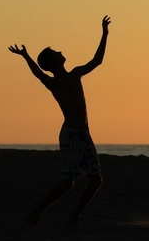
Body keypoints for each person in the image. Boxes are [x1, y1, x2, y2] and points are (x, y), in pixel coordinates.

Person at [8, 15, 111, 226]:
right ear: (53, 62)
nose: (61, 52)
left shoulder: (75, 74)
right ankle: (35, 214)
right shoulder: (54, 83)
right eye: (56, 53)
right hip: (71, 135)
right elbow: (38, 73)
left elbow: (97, 61)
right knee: (67, 183)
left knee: (96, 180)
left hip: (84, 135)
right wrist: (26, 56)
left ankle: (74, 217)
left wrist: (104, 33)